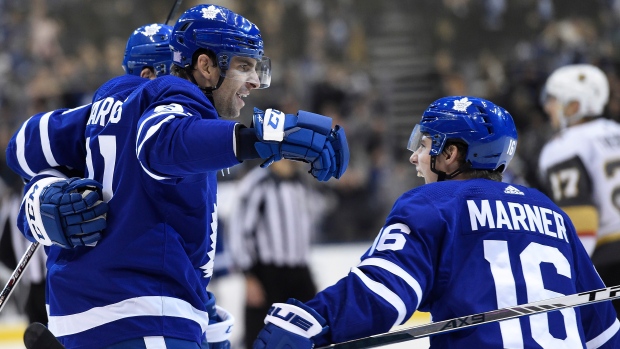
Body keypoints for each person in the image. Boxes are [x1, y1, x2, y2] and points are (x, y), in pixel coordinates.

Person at [6, 4, 349, 349]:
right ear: (201, 66)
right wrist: (261, 139)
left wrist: (39, 196)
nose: (256, 81)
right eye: (244, 66)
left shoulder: (102, 109)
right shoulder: (177, 99)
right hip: (143, 312)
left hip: (83, 315)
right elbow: (160, 144)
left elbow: (22, 148)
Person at [252, 96, 620, 349]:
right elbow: (603, 329)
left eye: (425, 144)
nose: (415, 157)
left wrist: (312, 320)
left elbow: (382, 292)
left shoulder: (433, 204)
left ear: (451, 154)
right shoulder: (550, 212)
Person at [538, 63, 620, 317]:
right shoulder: (616, 130)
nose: (548, 107)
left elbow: (581, 219)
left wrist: (568, 275)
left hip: (608, 260)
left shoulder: (564, 145)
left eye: (554, 100)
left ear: (574, 106)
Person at [227, 161, 329, 349]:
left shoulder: (302, 183)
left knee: (313, 333)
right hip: (267, 274)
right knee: (261, 337)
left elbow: (312, 220)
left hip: (300, 271)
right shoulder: (257, 183)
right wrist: (249, 276)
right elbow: (239, 231)